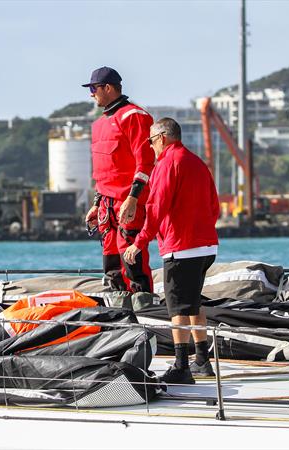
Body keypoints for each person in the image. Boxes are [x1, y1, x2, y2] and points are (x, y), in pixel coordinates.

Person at [123, 117, 220, 385]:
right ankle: (202, 360)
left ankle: (181, 366)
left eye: (151, 141)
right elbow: (215, 207)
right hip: (205, 246)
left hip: (181, 248)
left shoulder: (167, 163)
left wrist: (138, 242)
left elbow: (156, 208)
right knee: (192, 301)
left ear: (162, 137)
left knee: (176, 305)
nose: (151, 147)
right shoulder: (198, 162)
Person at [82, 67, 155, 294]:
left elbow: (145, 162)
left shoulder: (135, 117)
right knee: (111, 261)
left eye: (94, 88)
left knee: (132, 257)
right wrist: (96, 204)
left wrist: (133, 198)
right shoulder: (98, 125)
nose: (91, 93)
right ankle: (119, 311)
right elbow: (103, 171)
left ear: (108, 88)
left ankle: (144, 309)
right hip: (107, 205)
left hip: (127, 201)